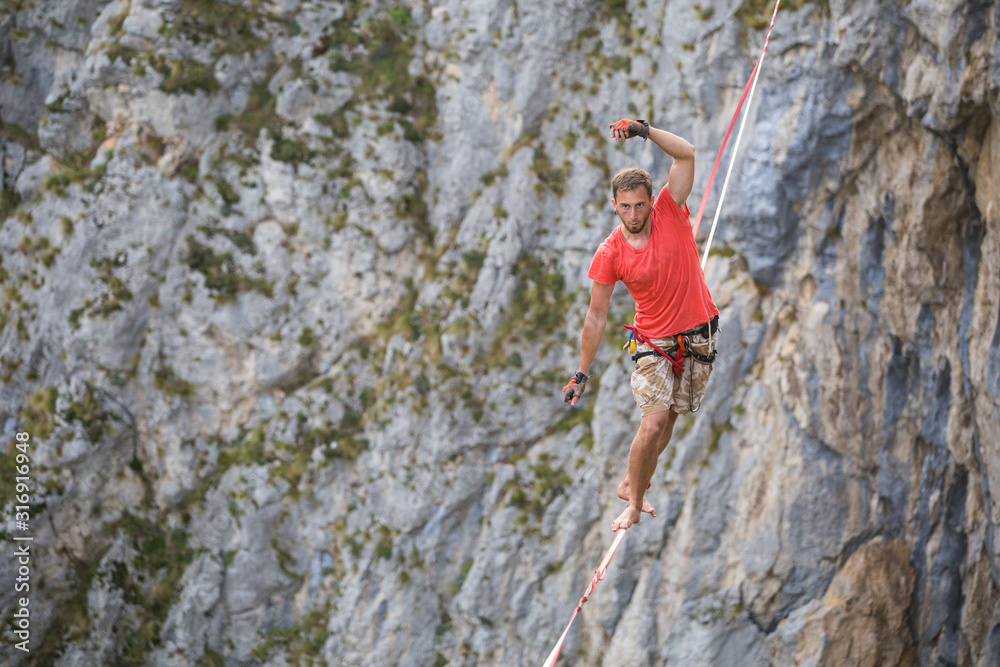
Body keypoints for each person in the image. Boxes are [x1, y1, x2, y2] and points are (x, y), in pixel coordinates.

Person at [562, 119, 720, 532]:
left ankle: (631, 483)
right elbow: (596, 315)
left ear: (652, 201)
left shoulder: (671, 209)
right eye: (624, 206)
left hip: (700, 333)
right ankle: (633, 503)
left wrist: (643, 130)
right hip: (654, 340)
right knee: (651, 423)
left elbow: (685, 153)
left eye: (639, 204)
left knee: (667, 424)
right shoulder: (610, 252)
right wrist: (581, 373)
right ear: (615, 205)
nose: (633, 214)